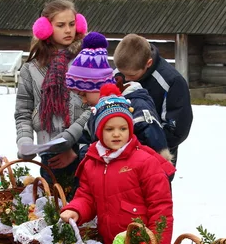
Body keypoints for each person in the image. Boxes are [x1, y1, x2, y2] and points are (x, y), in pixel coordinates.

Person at [59, 86, 175, 244]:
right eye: (109, 129)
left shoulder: (145, 162)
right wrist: (76, 209)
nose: (117, 134)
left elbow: (160, 208)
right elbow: (87, 196)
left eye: (123, 128)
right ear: (99, 131)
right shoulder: (93, 162)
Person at [15, 0, 90, 193]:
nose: (68, 30)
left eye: (72, 24)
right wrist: (25, 142)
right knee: (53, 210)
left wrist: (74, 149)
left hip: (84, 152)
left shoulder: (89, 61)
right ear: (45, 28)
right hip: (49, 155)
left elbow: (97, 107)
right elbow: (23, 112)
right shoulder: (30, 69)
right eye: (61, 25)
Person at [64, 32, 170, 161]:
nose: (84, 101)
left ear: (98, 86)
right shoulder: (98, 111)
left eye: (83, 94)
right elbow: (88, 144)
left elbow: (158, 155)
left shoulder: (137, 108)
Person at [113, 34, 193, 167]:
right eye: (122, 73)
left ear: (148, 63)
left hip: (155, 159)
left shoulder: (172, 82)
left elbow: (177, 130)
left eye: (131, 75)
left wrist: (142, 146)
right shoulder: (121, 71)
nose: (125, 79)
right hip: (120, 153)